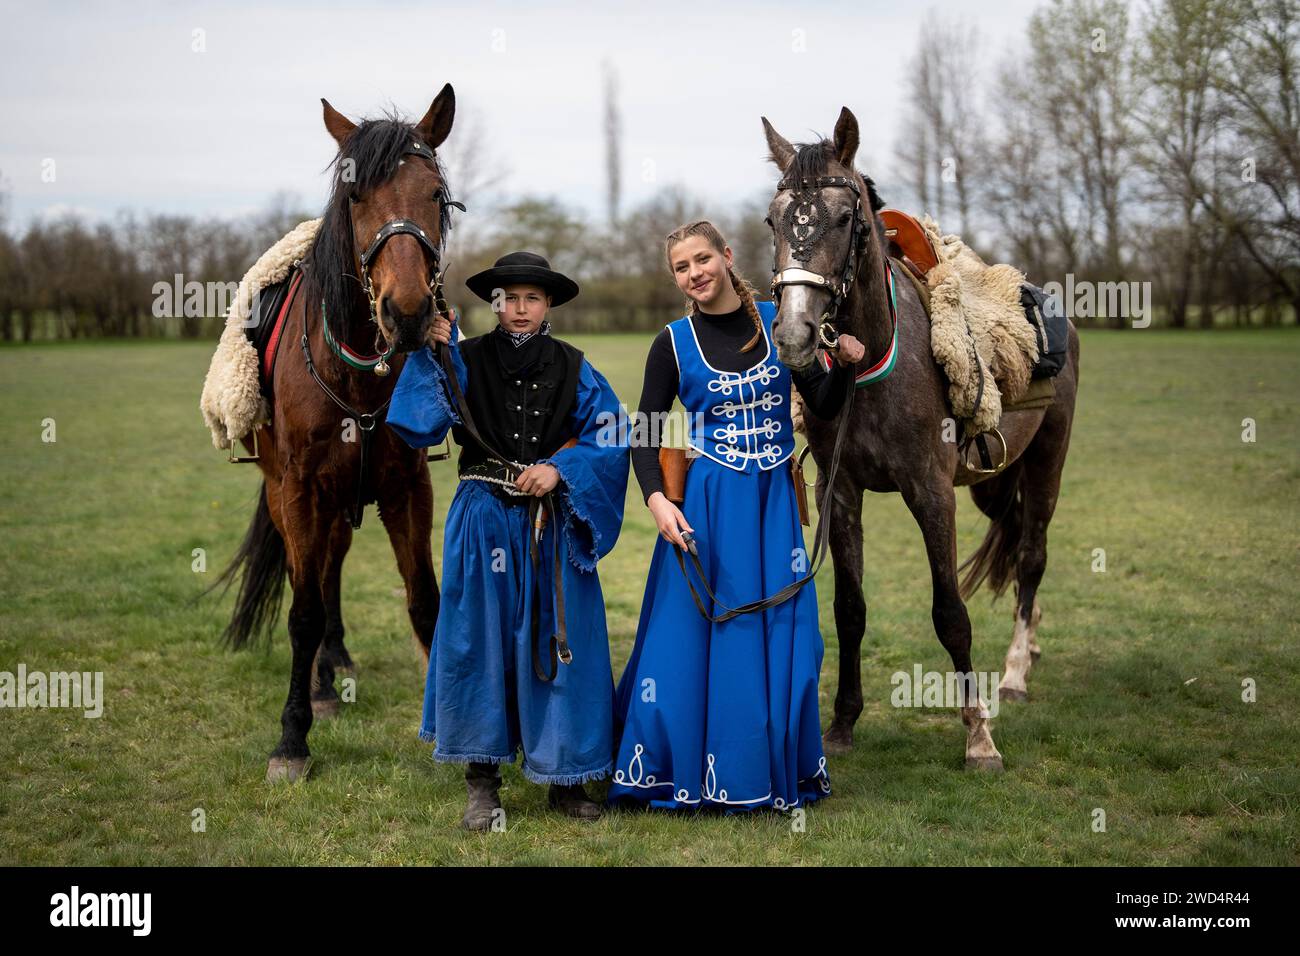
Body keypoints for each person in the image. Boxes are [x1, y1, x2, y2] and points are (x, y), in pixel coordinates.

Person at [609, 220, 862, 812]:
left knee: (788, 638)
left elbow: (822, 403)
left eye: (702, 259)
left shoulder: (780, 321)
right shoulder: (671, 342)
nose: (694, 273)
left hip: (774, 505)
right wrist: (657, 501)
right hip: (707, 510)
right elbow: (643, 434)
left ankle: (775, 767)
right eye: (681, 267)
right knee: (690, 645)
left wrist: (845, 364)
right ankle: (689, 767)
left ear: (726, 256)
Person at [386, 251, 629, 830]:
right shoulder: (462, 357)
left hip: (551, 521)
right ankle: (482, 783)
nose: (519, 308)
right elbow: (418, 423)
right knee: (478, 644)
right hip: (483, 519)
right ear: (494, 304)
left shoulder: (576, 366)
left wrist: (561, 471)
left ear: (548, 305)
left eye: (531, 298)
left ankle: (565, 777)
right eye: (508, 298)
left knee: (560, 640)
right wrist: (428, 352)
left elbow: (614, 432)